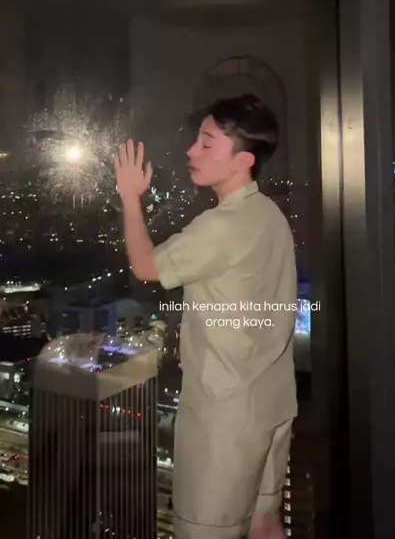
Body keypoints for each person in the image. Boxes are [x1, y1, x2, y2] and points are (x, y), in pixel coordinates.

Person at [114, 94, 298, 539]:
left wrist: (130, 198)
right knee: (265, 524)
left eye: (207, 143)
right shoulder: (269, 214)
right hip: (271, 401)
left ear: (243, 160)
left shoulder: (222, 226)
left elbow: (146, 267)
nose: (192, 151)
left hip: (224, 417)